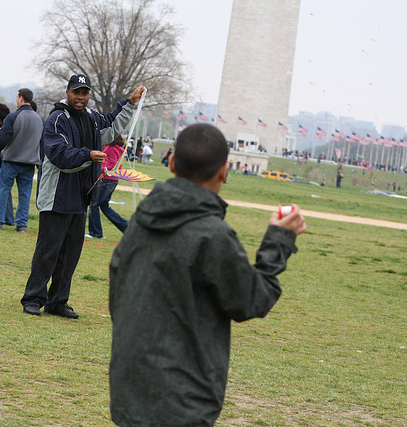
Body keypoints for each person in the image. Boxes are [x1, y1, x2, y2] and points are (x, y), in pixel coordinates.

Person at [108, 124, 306, 426]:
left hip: (130, 385)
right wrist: (278, 242)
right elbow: (251, 300)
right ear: (224, 171)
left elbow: (117, 292)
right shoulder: (213, 235)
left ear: (172, 163)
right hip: (183, 399)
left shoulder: (142, 219)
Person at [20, 74, 145, 319]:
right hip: (56, 196)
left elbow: (111, 125)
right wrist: (88, 156)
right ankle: (33, 298)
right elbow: (59, 154)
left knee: (70, 253)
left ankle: (57, 302)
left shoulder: (91, 118)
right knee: (48, 250)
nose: (81, 97)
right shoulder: (56, 119)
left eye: (85, 93)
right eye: (76, 92)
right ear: (67, 92)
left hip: (81, 195)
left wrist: (129, 103)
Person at [0, 88, 43, 232]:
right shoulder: (40, 119)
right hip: (30, 162)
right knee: (25, 194)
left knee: (4, 190)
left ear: (21, 98)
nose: (16, 99)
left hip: (11, 160)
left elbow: (2, 139)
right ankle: (22, 225)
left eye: (17, 97)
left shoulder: (13, 117)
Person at [86, 134, 130, 239]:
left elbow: (112, 165)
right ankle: (127, 228)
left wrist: (98, 168)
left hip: (108, 179)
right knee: (104, 206)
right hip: (111, 179)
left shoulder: (111, 148)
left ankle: (96, 233)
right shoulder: (114, 148)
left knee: (94, 204)